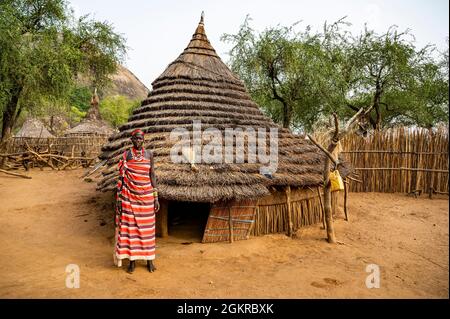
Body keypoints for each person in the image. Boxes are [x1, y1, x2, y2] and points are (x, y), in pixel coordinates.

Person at [114, 129, 160, 273]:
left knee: (148, 231)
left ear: (144, 140)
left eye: (140, 139)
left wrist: (155, 196)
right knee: (130, 231)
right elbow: (121, 177)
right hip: (129, 197)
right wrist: (119, 199)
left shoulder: (149, 154)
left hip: (146, 198)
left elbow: (152, 174)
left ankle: (149, 261)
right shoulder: (126, 155)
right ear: (131, 140)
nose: (138, 141)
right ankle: (132, 262)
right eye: (136, 139)